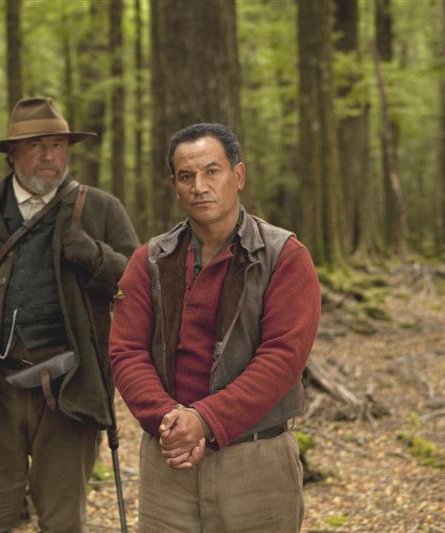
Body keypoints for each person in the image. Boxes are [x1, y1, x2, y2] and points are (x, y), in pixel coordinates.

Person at [0, 97, 139, 532]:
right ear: (12, 153)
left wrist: (94, 256)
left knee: (62, 520)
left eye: (57, 144)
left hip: (69, 388)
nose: (48, 155)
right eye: (36, 144)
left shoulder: (101, 209)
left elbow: (137, 286)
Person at [109, 123, 320, 532]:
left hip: (255, 460)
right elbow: (126, 351)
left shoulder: (284, 256)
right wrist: (169, 418)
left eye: (212, 171)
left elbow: (283, 358)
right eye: (186, 176)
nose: (199, 187)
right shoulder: (149, 261)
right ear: (175, 185)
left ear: (238, 175)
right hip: (169, 459)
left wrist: (205, 420)